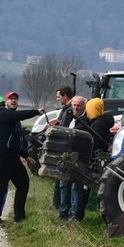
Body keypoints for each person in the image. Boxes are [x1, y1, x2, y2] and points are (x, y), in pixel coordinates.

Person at [0, 91, 43, 226]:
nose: (13, 101)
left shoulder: (16, 122)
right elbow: (20, 114)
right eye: (11, 99)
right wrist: (36, 111)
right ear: (6, 102)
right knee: (1, 187)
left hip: (14, 158)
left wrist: (26, 156)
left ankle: (19, 216)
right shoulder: (3, 113)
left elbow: (17, 142)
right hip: (2, 157)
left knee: (23, 184)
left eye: (16, 99)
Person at [50, 84, 75, 220]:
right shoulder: (66, 109)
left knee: (65, 182)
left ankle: (64, 211)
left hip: (66, 149)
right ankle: (64, 209)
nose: (58, 99)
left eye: (59, 97)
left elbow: (63, 128)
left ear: (65, 96)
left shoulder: (69, 110)